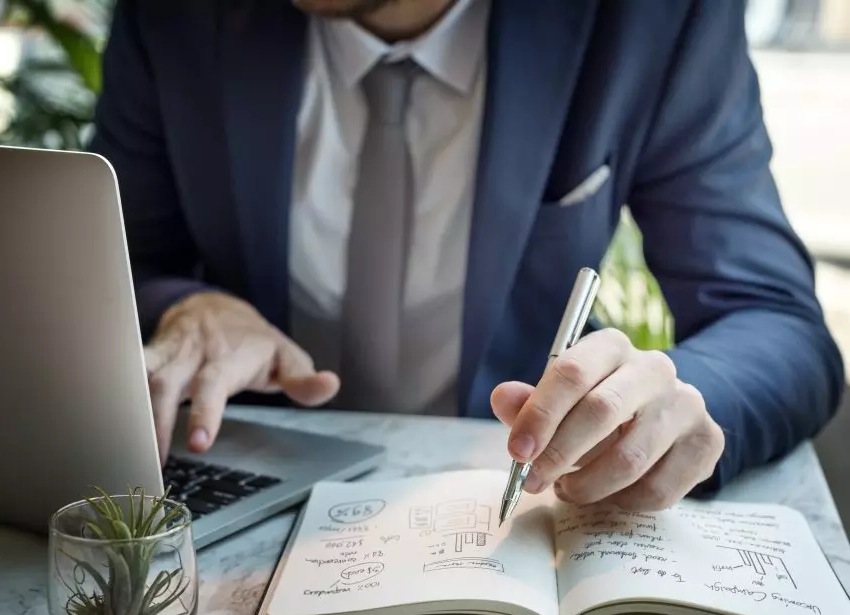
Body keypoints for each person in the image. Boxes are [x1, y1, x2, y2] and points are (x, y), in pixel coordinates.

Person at [89, 0, 844, 511]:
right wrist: (185, 307)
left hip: (510, 509)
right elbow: (116, 263)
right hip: (240, 496)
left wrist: (669, 407)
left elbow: (772, 317)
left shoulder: (648, 18)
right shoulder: (173, 16)